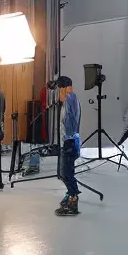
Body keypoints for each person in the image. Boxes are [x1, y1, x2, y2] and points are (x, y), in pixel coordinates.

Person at [55, 76, 82, 215]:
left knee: (67, 173)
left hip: (69, 142)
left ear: (64, 88)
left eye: (59, 89)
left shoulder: (71, 98)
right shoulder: (69, 99)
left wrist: (65, 93)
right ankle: (70, 194)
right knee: (64, 173)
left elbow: (70, 123)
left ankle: (73, 200)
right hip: (67, 141)